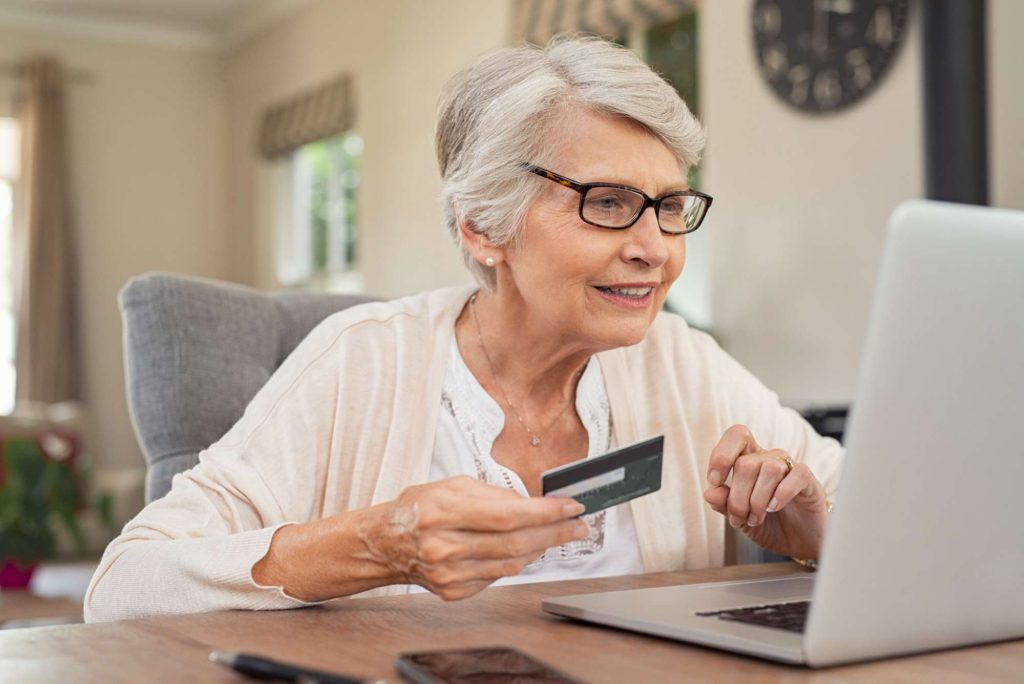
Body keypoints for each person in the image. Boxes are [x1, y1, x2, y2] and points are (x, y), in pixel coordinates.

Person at [85, 37, 843, 623]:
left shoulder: (680, 361)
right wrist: (379, 544)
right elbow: (123, 588)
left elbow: (895, 534)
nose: (656, 246)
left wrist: (814, 532)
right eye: (608, 202)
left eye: (670, 206)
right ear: (483, 227)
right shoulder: (363, 359)